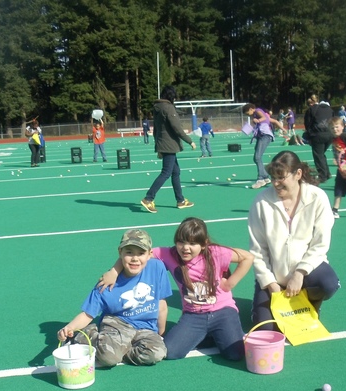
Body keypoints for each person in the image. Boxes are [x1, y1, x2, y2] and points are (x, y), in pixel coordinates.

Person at [99, 217, 254, 361]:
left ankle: (218, 332)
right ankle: (210, 334)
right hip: (194, 315)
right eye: (181, 242)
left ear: (204, 244)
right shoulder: (169, 254)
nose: (185, 248)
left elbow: (248, 257)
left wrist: (229, 284)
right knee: (171, 352)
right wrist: (114, 271)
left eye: (192, 244)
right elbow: (139, 254)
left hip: (223, 311)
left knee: (235, 354)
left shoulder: (215, 252)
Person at [248, 150, 340, 330]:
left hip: (306, 273)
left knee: (328, 284)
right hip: (274, 277)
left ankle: (309, 303)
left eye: (281, 178)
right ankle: (258, 308)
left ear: (298, 174)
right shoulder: (261, 202)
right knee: (267, 330)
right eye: (273, 178)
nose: (275, 183)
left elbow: (320, 244)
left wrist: (299, 273)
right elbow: (257, 250)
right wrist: (271, 284)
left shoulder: (317, 197)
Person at [57, 229, 172, 367]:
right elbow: (88, 314)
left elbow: (161, 304)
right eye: (129, 252)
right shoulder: (106, 283)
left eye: (141, 253)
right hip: (118, 324)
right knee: (108, 359)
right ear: (120, 252)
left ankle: (118, 350)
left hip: (146, 327)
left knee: (156, 354)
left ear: (149, 254)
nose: (135, 258)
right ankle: (86, 336)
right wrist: (70, 327)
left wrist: (161, 332)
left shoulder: (157, 268)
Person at [140, 86, 196, 214]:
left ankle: (180, 200)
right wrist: (190, 141)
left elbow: (157, 129)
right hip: (169, 144)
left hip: (163, 143)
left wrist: (158, 145)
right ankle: (148, 198)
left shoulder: (158, 108)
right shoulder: (168, 108)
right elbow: (177, 127)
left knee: (176, 172)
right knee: (166, 172)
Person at [242, 103, 285, 189]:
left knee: (257, 157)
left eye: (247, 113)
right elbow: (274, 121)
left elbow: (264, 118)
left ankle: (260, 179)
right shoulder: (257, 114)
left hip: (265, 136)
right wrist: (283, 129)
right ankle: (265, 177)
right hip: (262, 136)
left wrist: (258, 120)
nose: (248, 115)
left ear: (251, 109)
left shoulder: (257, 111)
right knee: (256, 158)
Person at [304, 96, 334, 182]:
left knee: (318, 155)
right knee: (321, 154)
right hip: (329, 134)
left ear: (311, 103)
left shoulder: (311, 110)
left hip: (317, 134)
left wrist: (309, 135)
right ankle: (327, 173)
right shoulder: (329, 109)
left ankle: (322, 176)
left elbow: (307, 124)